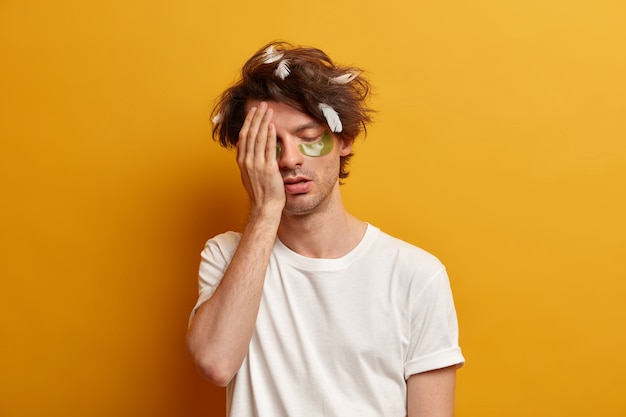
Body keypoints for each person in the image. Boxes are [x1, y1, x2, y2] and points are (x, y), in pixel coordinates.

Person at [186, 41, 465, 417]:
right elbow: (216, 363)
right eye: (269, 145)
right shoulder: (225, 255)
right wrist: (266, 208)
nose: (289, 159)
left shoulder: (417, 276)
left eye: (308, 136)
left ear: (344, 139)